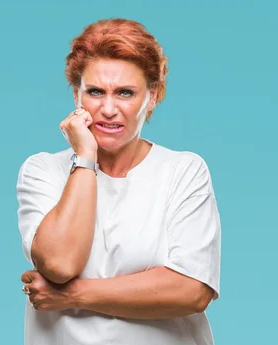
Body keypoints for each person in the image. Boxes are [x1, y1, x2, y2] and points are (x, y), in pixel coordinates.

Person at [15, 18, 221, 345]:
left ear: (152, 97)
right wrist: (85, 157)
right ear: (76, 95)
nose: (108, 109)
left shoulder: (183, 171)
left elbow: (191, 290)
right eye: (95, 92)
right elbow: (59, 263)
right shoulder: (42, 170)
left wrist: (72, 296)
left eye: (125, 92)